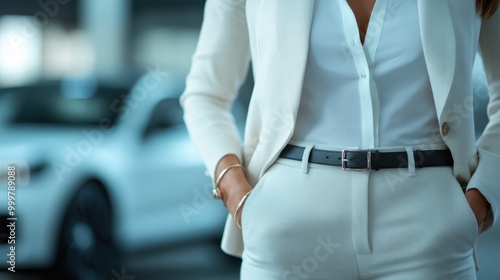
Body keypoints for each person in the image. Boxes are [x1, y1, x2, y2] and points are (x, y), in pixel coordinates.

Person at [180, 0, 500, 278]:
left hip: (431, 234)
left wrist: (480, 201)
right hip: (287, 231)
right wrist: (237, 195)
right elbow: (205, 95)